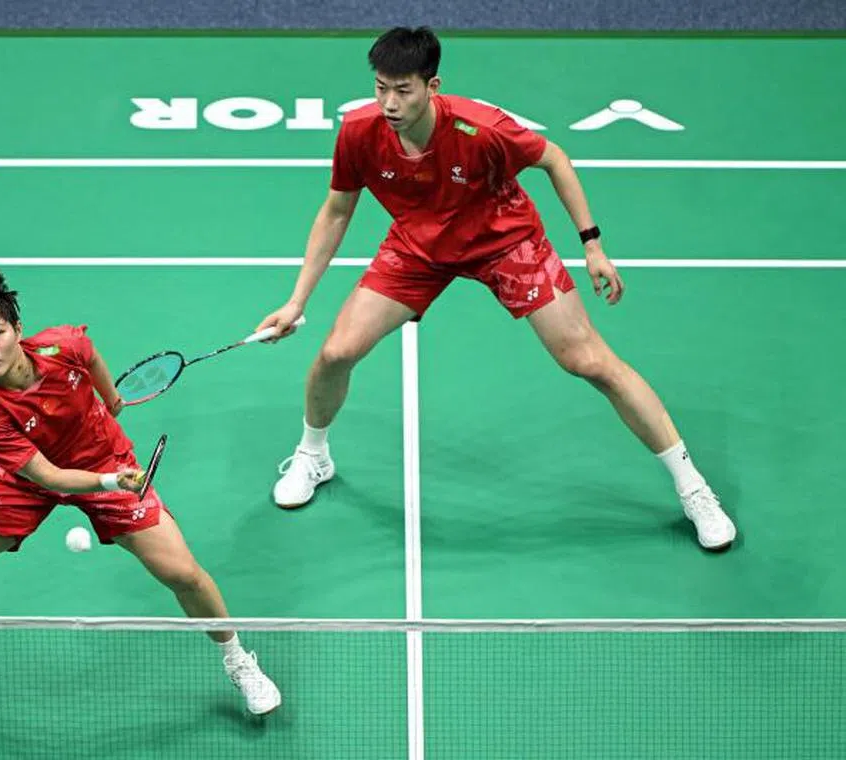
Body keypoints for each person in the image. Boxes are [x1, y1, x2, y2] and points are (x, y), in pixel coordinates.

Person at [255, 26, 737, 552]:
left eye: (403, 90)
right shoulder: (358, 132)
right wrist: (297, 301)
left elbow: (555, 159)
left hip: (505, 241)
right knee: (335, 352)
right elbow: (337, 210)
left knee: (589, 361)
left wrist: (591, 244)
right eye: (380, 88)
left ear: (432, 85)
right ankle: (313, 455)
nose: (389, 103)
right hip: (418, 246)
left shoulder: (480, 129)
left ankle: (694, 489)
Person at [0, 266, 281, 735]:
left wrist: (111, 399)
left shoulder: (63, 346)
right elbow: (48, 475)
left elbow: (91, 357)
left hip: (104, 457)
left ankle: (238, 661)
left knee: (182, 573)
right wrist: (110, 482)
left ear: (17, 331)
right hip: (30, 480)